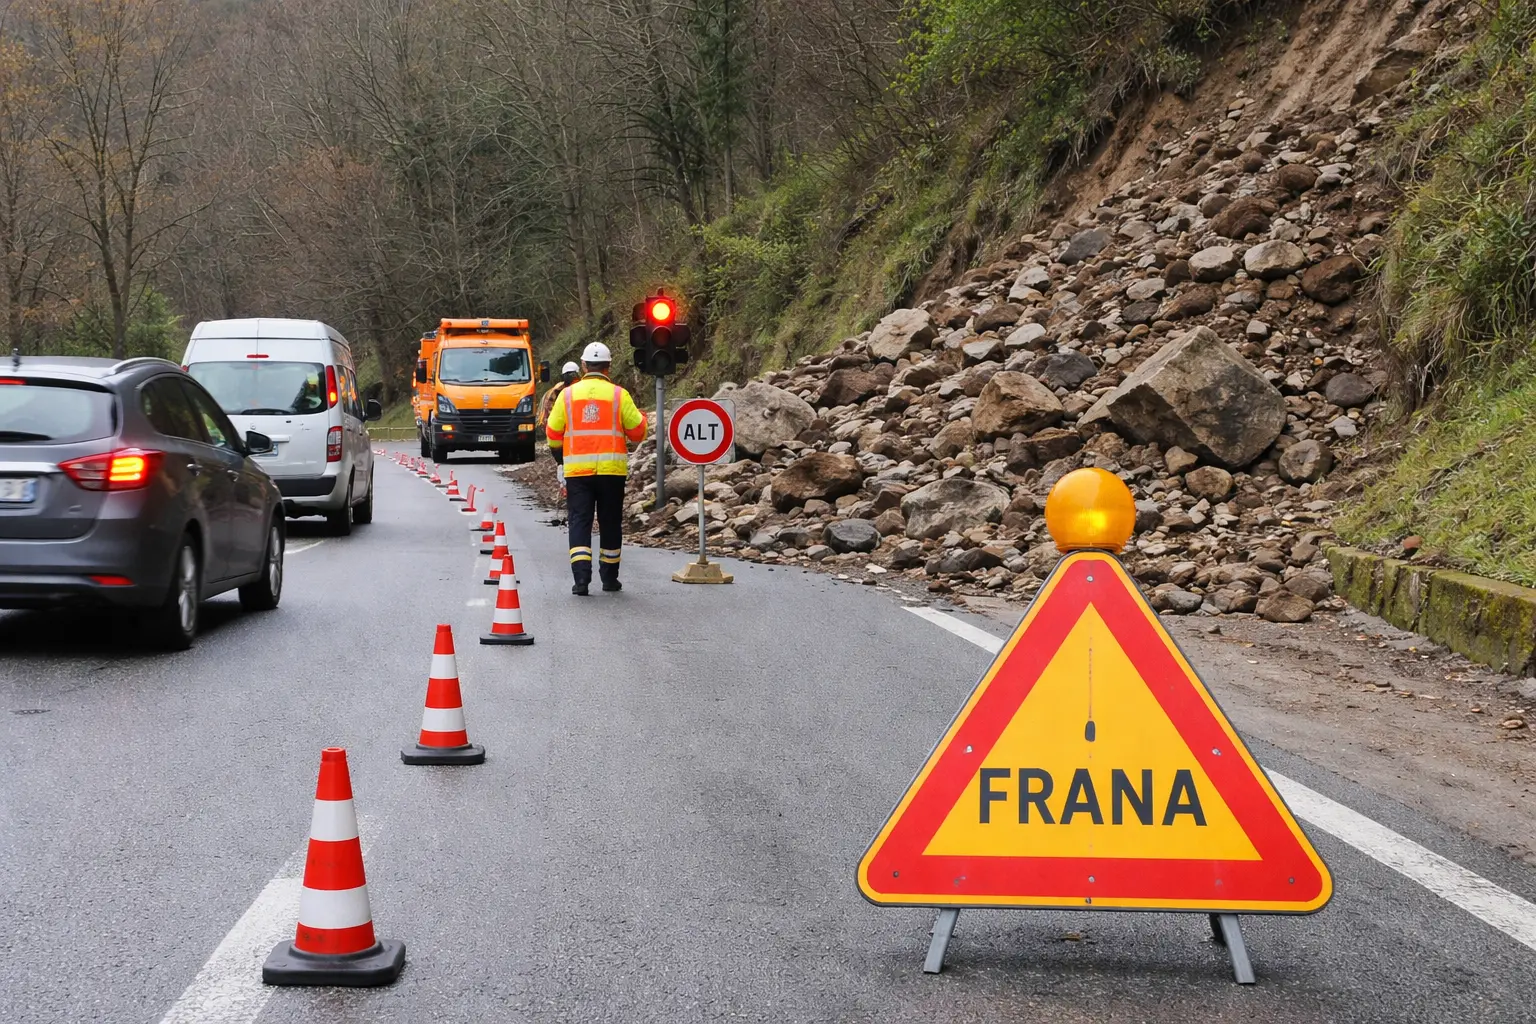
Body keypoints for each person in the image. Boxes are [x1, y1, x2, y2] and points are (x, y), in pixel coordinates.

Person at [545, 343, 647, 596]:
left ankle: (581, 581)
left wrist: (561, 458)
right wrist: (641, 418)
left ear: (583, 366)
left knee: (580, 521)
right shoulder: (618, 395)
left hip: (578, 473)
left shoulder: (567, 396)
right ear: (609, 367)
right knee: (610, 522)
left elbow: (552, 434)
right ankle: (609, 579)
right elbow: (638, 432)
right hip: (612, 472)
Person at [539, 362, 582, 494]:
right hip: (565, 434)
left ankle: (567, 486)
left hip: (565, 435)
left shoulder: (558, 392)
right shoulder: (559, 393)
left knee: (565, 465)